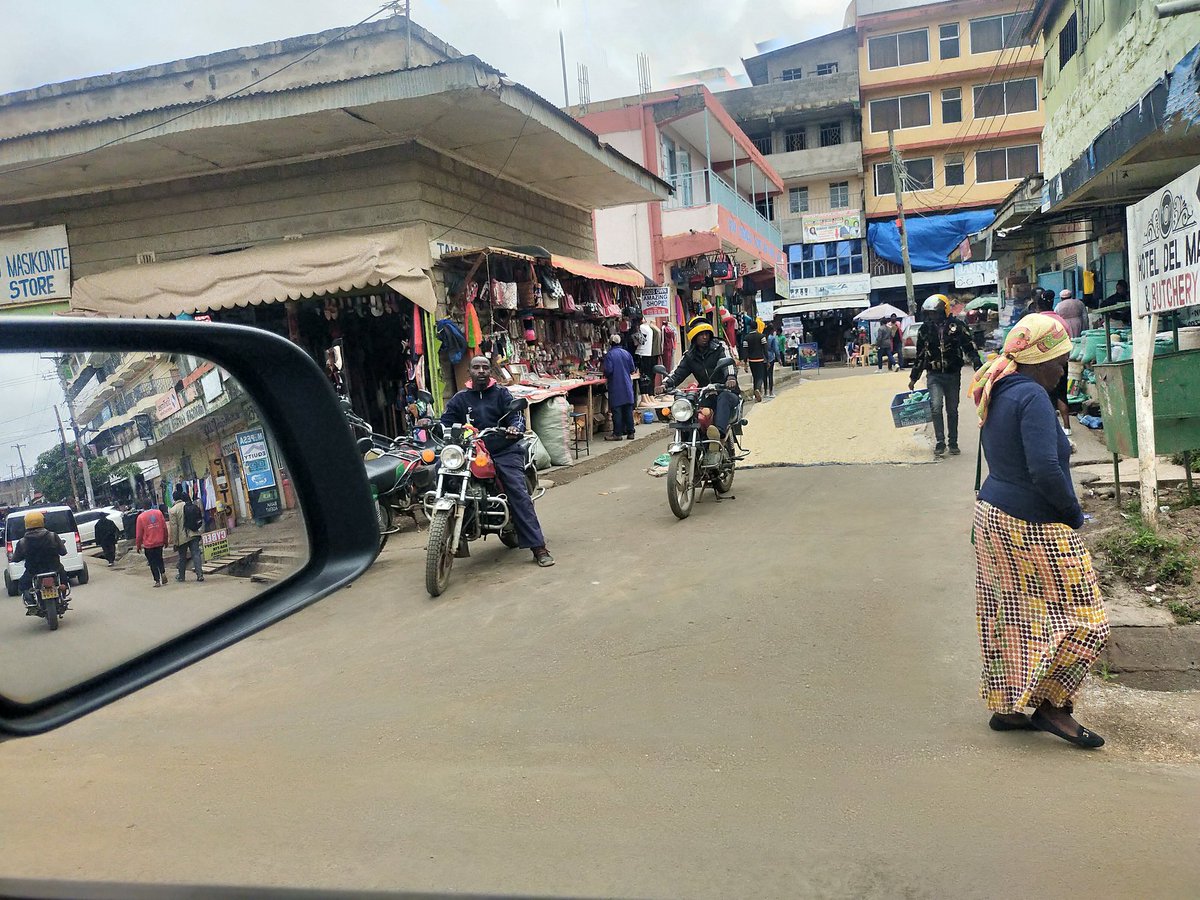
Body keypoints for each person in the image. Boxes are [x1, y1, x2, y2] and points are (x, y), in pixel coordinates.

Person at [968, 313, 1108, 748]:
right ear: (1039, 358)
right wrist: (1074, 514)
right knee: (1090, 620)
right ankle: (1053, 707)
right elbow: (1046, 470)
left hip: (992, 516)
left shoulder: (1001, 387)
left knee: (1012, 614)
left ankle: (1007, 709)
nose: (1063, 370)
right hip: (1029, 523)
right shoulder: (1031, 397)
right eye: (1059, 361)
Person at [441, 356, 554, 568]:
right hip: (472, 452)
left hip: (503, 449)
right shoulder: (460, 398)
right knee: (445, 474)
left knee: (518, 492)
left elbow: (516, 415)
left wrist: (514, 428)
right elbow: (446, 422)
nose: (481, 371)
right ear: (470, 372)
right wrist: (432, 426)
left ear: (490, 371)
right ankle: (450, 534)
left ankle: (538, 547)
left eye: (485, 367)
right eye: (476, 367)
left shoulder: (502, 393)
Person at [908, 294, 983, 457]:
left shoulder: (958, 326)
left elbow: (969, 347)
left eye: (935, 313)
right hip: (934, 375)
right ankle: (940, 442)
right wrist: (914, 377)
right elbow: (920, 355)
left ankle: (953, 442)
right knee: (935, 407)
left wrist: (978, 366)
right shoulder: (925, 330)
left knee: (952, 410)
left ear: (944, 311)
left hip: (952, 374)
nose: (932, 316)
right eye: (929, 313)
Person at [662, 316, 740, 440]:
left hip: (726, 391)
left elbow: (729, 364)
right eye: (700, 334)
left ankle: (717, 435)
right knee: (691, 405)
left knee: (723, 397)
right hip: (706, 394)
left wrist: (730, 377)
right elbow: (678, 373)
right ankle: (689, 439)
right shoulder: (689, 356)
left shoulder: (720, 347)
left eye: (706, 334)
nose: (705, 337)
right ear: (694, 336)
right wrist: (665, 384)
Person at [11, 510, 67, 599]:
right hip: (54, 568)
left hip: (33, 572)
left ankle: (31, 602)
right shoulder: (52, 536)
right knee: (64, 579)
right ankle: (63, 594)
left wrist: (15, 558)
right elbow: (63, 552)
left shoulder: (22, 542)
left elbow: (16, 559)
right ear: (43, 521)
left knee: (22, 585)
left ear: (26, 524)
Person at [602, 334, 637, 441]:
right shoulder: (627, 354)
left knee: (617, 410)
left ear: (611, 343)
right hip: (627, 385)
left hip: (616, 385)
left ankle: (617, 434)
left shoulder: (610, 355)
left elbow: (608, 371)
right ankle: (631, 432)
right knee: (628, 410)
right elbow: (632, 369)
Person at [168, 487, 206, 583]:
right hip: (194, 533)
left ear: (174, 499)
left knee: (182, 557)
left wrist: (175, 542)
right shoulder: (188, 504)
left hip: (182, 537)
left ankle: (181, 576)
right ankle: (200, 575)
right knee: (196, 554)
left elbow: (174, 528)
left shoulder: (172, 510)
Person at [135, 504, 170, 587]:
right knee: (159, 559)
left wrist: (138, 545)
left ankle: (157, 580)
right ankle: (163, 572)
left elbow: (139, 534)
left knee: (152, 562)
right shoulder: (159, 513)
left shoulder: (141, 517)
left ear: (143, 507)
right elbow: (164, 528)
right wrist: (165, 540)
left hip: (148, 544)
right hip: (159, 542)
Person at [741, 321, 768, 402]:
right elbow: (765, 349)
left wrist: (745, 363)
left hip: (752, 360)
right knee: (760, 376)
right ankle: (757, 389)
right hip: (760, 359)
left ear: (750, 327)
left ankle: (756, 395)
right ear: (756, 327)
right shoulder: (762, 336)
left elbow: (745, 351)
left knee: (755, 376)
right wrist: (767, 359)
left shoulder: (746, 338)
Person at [763, 324, 778, 399]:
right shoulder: (772, 338)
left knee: (764, 375)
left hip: (763, 358)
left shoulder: (762, 337)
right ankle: (771, 392)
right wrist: (779, 358)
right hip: (771, 357)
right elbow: (775, 349)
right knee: (770, 375)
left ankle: (765, 392)